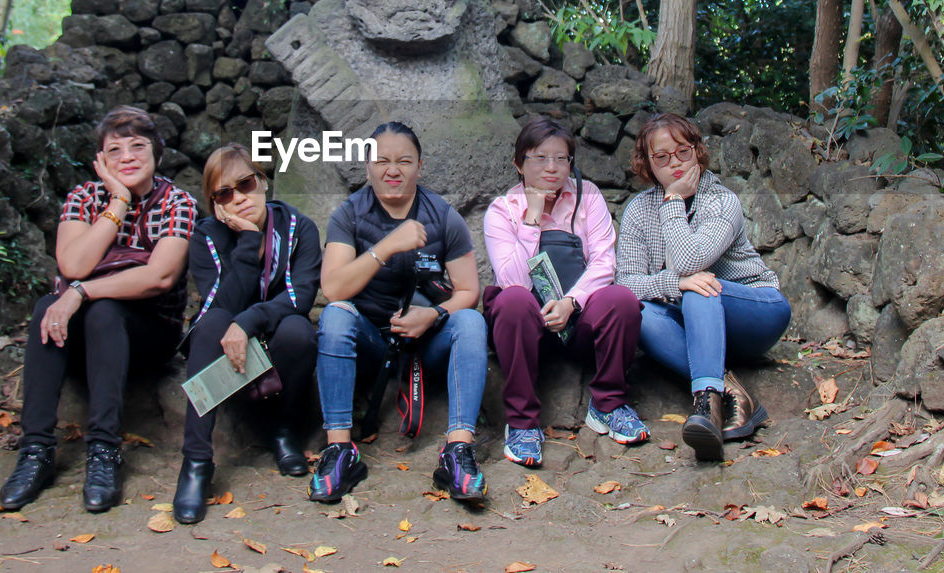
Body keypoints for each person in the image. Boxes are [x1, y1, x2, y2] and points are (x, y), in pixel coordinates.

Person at [0, 106, 197, 512]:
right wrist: (119, 201)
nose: (127, 156)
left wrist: (82, 293)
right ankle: (35, 450)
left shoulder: (178, 202)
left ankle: (103, 451)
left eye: (138, 146)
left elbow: (159, 277)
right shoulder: (85, 197)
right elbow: (73, 265)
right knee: (45, 308)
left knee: (104, 310)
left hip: (147, 331)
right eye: (115, 149)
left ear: (156, 153)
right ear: (101, 160)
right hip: (83, 335)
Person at [309, 122, 489, 504]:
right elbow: (334, 288)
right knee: (336, 315)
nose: (393, 170)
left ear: (419, 167)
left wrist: (435, 315)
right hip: (373, 340)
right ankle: (340, 449)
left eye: (404, 161)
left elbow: (469, 291)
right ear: (368, 166)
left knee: (471, 321)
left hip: (428, 341)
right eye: (382, 161)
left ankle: (457, 451)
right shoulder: (350, 215)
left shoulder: (443, 216)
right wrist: (387, 246)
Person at [614, 113, 791, 462]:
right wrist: (675, 284)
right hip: (697, 329)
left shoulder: (722, 201)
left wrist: (673, 202)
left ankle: (705, 400)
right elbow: (626, 284)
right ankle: (724, 394)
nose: (674, 164)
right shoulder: (637, 211)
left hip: (755, 311)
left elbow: (691, 262)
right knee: (639, 312)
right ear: (648, 165)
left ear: (697, 151)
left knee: (700, 286)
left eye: (682, 152)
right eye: (661, 157)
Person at [482, 118, 647, 468]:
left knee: (622, 300)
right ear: (518, 164)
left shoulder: (589, 197)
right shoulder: (502, 210)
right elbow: (511, 279)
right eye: (540, 158)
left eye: (562, 159)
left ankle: (608, 405)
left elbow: (604, 262)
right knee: (511, 300)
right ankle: (523, 423)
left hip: (578, 319)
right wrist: (533, 217)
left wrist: (572, 303)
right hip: (526, 325)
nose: (552, 168)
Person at [172, 144, 321, 524]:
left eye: (246, 184)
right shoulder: (206, 237)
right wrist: (248, 241)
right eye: (225, 193)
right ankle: (196, 461)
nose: (239, 197)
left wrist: (249, 321)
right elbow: (219, 304)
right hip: (226, 350)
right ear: (215, 203)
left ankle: (284, 432)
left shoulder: (297, 227)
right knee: (212, 324)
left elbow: (300, 296)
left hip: (276, 342)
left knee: (298, 330)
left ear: (263, 182)